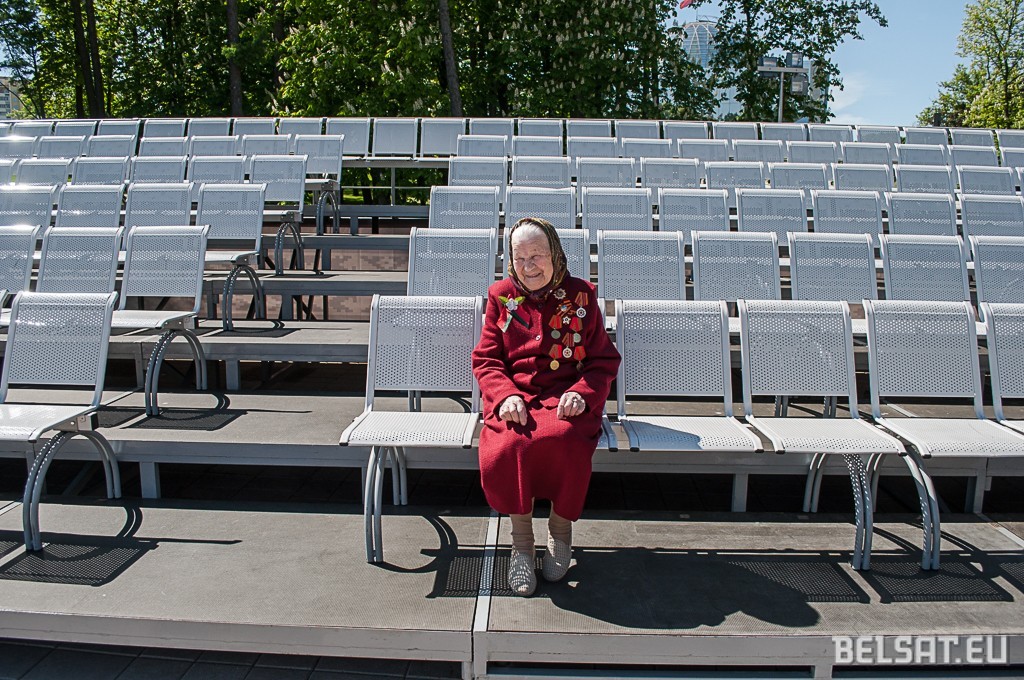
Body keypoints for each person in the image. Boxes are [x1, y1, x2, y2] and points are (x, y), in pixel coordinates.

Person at [472, 217, 620, 596]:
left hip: (565, 399)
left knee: (566, 439)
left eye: (537, 255)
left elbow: (603, 361)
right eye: (519, 258)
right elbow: (487, 360)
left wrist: (583, 393)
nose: (528, 266)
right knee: (510, 445)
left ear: (555, 254)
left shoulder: (581, 295)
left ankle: (560, 530)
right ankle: (522, 543)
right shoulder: (501, 295)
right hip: (514, 398)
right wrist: (504, 396)